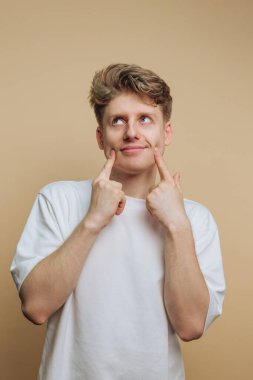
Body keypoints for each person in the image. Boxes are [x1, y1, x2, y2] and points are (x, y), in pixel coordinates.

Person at [10, 63, 226, 380]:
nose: (132, 132)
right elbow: (35, 307)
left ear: (166, 132)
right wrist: (93, 219)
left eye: (145, 119)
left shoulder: (195, 219)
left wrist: (176, 226)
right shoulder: (58, 200)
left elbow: (191, 326)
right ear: (102, 137)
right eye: (118, 120)